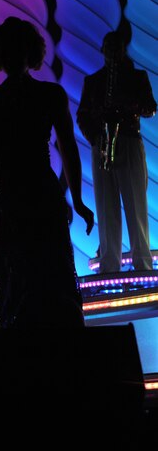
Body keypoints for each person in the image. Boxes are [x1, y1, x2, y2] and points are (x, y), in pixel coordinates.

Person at [0, 17, 95, 329]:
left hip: (40, 194)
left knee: (50, 274)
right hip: (9, 199)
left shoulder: (50, 94)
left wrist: (77, 200)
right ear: (0, 54)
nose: (14, 56)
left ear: (29, 53)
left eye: (19, 49)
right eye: (8, 50)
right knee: (16, 278)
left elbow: (69, 147)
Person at [77, 31, 156, 273]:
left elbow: (150, 108)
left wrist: (127, 105)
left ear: (122, 50)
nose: (112, 52)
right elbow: (82, 116)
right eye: (109, 48)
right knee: (106, 206)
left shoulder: (137, 78)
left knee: (135, 206)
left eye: (116, 47)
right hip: (103, 144)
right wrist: (96, 138)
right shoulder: (93, 81)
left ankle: (141, 263)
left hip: (129, 140)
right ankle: (110, 264)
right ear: (104, 50)